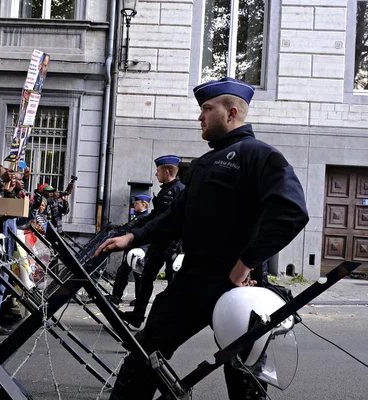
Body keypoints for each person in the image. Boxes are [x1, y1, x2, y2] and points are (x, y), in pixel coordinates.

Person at [95, 77, 309, 400]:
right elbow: (174, 217)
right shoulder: (203, 163)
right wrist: (133, 237)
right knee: (143, 356)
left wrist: (246, 263)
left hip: (238, 287)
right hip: (191, 283)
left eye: (207, 109)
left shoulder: (259, 155)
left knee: (243, 377)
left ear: (231, 112)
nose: (200, 117)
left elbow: (292, 211)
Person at [120, 155, 185, 327]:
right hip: (159, 244)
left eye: (157, 171)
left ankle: (171, 319)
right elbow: (154, 216)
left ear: (165, 171)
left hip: (171, 245)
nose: (156, 175)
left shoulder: (179, 191)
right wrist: (134, 226)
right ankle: (138, 315)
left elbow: (167, 219)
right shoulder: (166, 191)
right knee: (146, 278)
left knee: (173, 284)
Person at [105, 194, 151, 306]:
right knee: (123, 272)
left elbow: (129, 227)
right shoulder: (138, 216)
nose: (134, 205)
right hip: (132, 250)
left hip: (139, 250)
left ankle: (137, 299)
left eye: (136, 203)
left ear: (143, 204)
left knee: (137, 274)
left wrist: (117, 228)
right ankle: (116, 296)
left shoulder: (144, 217)